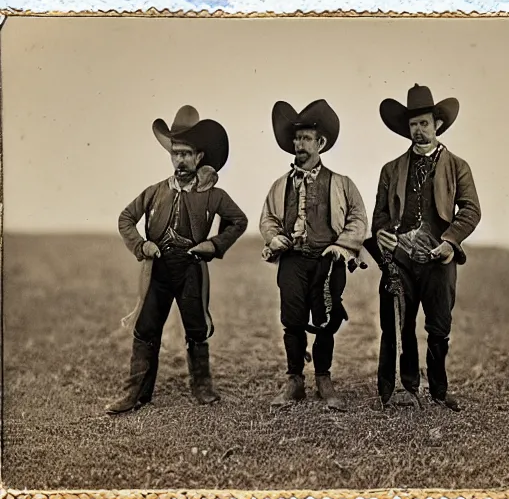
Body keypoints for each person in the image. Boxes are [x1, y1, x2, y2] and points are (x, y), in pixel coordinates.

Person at [106, 105, 248, 414]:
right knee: (145, 328)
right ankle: (137, 393)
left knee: (196, 327)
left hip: (190, 269)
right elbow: (125, 218)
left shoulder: (213, 194)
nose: (180, 159)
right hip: (157, 269)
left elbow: (239, 221)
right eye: (175, 153)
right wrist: (142, 246)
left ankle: (202, 386)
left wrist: (214, 244)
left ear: (199, 157)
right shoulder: (155, 192)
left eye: (186, 153)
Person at [370, 84, 481, 411]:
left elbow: (471, 210)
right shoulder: (391, 169)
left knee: (438, 327)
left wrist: (450, 241)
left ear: (438, 125)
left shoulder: (458, 166)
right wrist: (381, 234)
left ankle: (438, 389)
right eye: (413, 124)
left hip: (438, 259)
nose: (418, 131)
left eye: (424, 124)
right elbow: (379, 215)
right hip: (399, 261)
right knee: (395, 323)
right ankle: (399, 389)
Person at [259, 99, 368, 410]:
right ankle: (294, 380)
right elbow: (267, 217)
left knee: (326, 320)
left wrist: (341, 245)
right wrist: (275, 237)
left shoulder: (342, 184)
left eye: (306, 138)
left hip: (328, 261)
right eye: (297, 138)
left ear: (321, 143)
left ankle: (323, 378)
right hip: (293, 260)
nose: (299, 144)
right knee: (291, 319)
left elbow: (358, 218)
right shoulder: (280, 186)